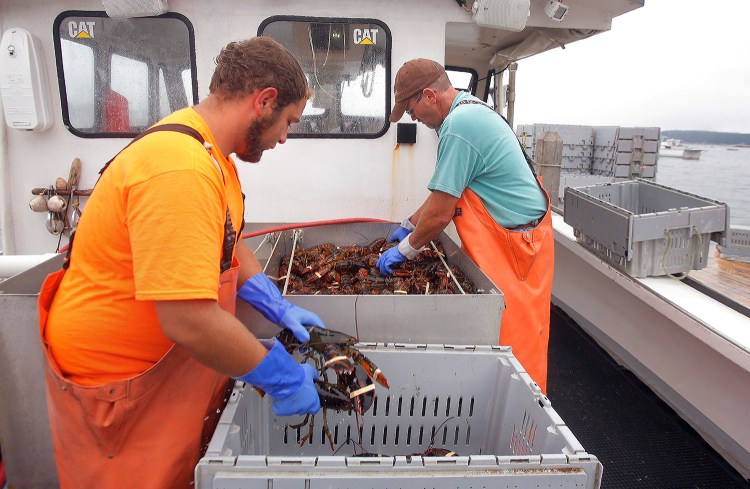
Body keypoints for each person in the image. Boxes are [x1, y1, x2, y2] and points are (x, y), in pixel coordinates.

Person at [38, 36, 325, 489]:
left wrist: (273, 302)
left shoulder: (211, 154)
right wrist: (279, 378)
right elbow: (188, 320)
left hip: (163, 371)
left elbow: (225, 241)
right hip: (121, 387)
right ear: (264, 102)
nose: (284, 138)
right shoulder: (180, 169)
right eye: (287, 122)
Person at [377, 58, 554, 393]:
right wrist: (408, 224)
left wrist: (404, 250)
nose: (413, 117)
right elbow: (444, 193)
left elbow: (442, 213)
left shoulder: (460, 126)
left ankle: (523, 422)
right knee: (508, 337)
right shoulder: (470, 111)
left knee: (515, 343)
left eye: (412, 109)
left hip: (518, 249)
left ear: (429, 95)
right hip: (516, 239)